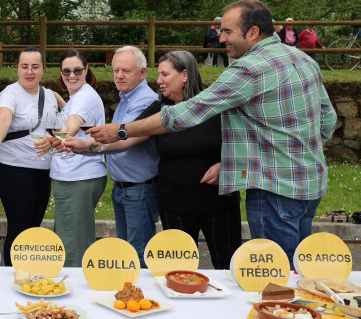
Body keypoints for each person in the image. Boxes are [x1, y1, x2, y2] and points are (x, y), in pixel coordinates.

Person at [88, 0, 337, 267]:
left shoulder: (248, 69)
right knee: (300, 271)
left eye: (228, 31)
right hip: (311, 185)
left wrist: (122, 130)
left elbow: (187, 112)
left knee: (276, 276)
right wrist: (300, 151)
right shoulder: (303, 59)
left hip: (273, 191)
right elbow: (328, 120)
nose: (221, 37)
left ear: (253, 32)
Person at [70, 50, 242, 269]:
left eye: (164, 74)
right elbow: (125, 139)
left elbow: (243, 141)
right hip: (175, 206)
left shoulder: (216, 105)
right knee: (178, 272)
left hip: (219, 203)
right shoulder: (159, 109)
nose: (158, 80)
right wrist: (84, 146)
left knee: (227, 267)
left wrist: (226, 164)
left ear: (185, 75)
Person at [0, 48, 63, 266]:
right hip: (14, 169)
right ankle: (11, 275)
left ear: (43, 69)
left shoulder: (50, 95)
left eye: (35, 67)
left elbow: (70, 117)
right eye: (24, 66)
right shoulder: (10, 93)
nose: (30, 72)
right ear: (17, 69)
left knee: (34, 227)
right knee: (19, 226)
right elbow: (4, 117)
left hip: (43, 169)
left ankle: (28, 275)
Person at [96, 46, 160, 268]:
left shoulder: (145, 101)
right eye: (115, 71)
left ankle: (141, 301)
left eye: (126, 71)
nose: (119, 76)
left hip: (138, 190)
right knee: (127, 254)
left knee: (138, 256)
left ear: (142, 73)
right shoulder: (126, 97)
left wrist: (85, 147)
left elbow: (122, 141)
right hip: (124, 189)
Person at [49, 49, 107, 267]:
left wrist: (55, 138)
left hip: (78, 178)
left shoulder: (85, 95)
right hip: (73, 177)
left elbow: (72, 125)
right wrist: (60, 100)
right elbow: (75, 115)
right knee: (70, 237)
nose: (71, 75)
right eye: (66, 70)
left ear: (86, 70)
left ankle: (75, 294)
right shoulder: (79, 96)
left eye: (77, 70)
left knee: (73, 245)